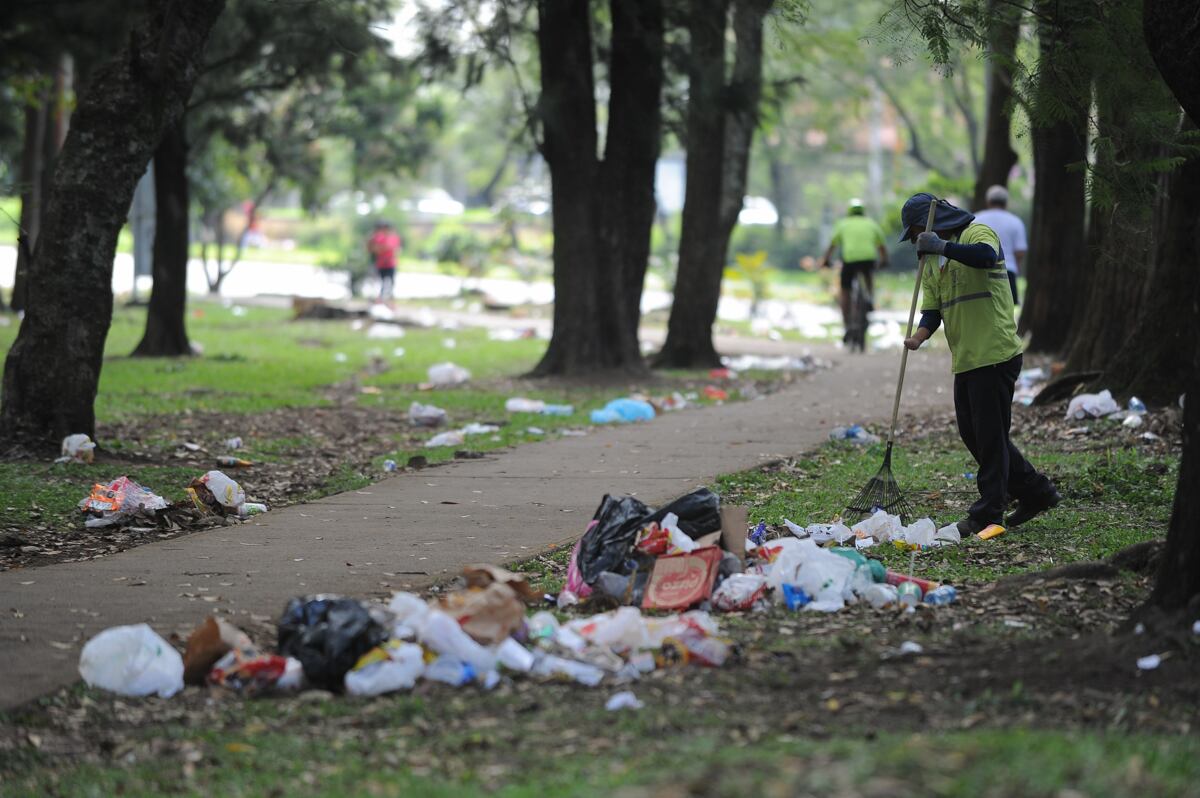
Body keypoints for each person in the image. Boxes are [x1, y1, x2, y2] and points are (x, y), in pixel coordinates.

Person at [899, 192, 1060, 535]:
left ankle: (988, 513)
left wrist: (942, 246)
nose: (915, 241)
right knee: (975, 434)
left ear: (929, 222)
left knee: (989, 437)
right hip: (967, 357)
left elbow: (985, 257)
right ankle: (1037, 491)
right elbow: (933, 311)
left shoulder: (978, 232)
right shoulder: (931, 262)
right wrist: (918, 337)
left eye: (914, 232)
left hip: (996, 353)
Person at [819, 199, 889, 338]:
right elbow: (882, 246)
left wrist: (825, 260)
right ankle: (869, 298)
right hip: (868, 259)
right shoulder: (871, 224)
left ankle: (847, 324)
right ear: (863, 212)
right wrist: (884, 261)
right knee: (868, 277)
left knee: (845, 290)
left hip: (849, 260)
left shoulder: (843, 224)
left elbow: (832, 245)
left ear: (849, 212)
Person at [971, 185, 1027, 304]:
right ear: (1006, 203)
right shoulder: (1015, 221)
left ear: (988, 201)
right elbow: (1020, 252)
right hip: (1008, 271)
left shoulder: (976, 219)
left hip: (980, 272)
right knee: (1006, 310)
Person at [366, 221, 401, 303]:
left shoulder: (393, 237)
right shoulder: (378, 237)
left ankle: (389, 300)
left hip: (390, 264)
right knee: (380, 282)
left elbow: (392, 248)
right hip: (381, 264)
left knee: (390, 282)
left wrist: (381, 248)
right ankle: (380, 299)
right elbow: (374, 249)